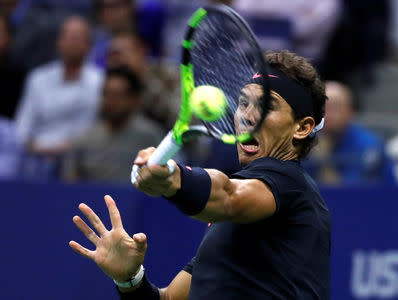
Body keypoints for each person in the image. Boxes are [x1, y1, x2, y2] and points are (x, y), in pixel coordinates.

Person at [69, 50, 331, 299]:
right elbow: (169, 298)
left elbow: (228, 195)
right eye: (243, 103)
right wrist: (130, 279)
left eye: (267, 107)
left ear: (302, 127)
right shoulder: (235, 221)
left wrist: (171, 175)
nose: (248, 117)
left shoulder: (288, 182)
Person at [14, 16, 103, 180]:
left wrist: (71, 147)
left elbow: (102, 128)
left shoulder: (100, 81)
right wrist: (41, 148)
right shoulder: (38, 78)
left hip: (83, 159)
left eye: (78, 38)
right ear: (59, 42)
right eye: (68, 37)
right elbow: (22, 130)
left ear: (88, 45)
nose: (73, 43)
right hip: (38, 159)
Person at [63, 66, 164, 183]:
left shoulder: (150, 137)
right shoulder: (83, 141)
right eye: (106, 94)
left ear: (134, 99)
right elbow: (69, 185)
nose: (111, 101)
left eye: (118, 95)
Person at [305, 81, 396, 185]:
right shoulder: (302, 142)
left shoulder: (369, 146)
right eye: (321, 108)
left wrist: (325, 161)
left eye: (334, 108)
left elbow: (350, 194)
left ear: (350, 111)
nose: (327, 114)